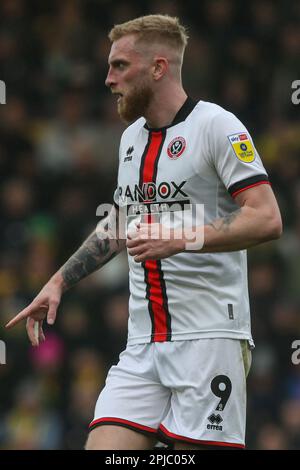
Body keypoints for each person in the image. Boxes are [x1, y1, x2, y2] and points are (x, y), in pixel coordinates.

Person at [6, 14, 282, 450]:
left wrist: (182, 238)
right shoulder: (131, 138)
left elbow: (266, 218)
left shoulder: (217, 126)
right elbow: (120, 221)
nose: (108, 79)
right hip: (142, 343)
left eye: (119, 66)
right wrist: (59, 281)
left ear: (158, 67)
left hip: (207, 339)